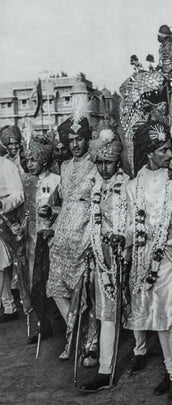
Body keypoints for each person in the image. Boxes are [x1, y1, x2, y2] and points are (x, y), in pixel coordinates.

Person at [125, 120, 172, 405]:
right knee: (156, 319)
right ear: (148, 153)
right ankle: (169, 371)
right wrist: (123, 243)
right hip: (144, 261)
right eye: (164, 150)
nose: (170, 154)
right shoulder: (133, 187)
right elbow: (132, 226)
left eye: (170, 148)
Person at [79, 127, 130, 392]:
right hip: (103, 258)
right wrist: (93, 246)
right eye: (98, 162)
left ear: (117, 161)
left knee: (138, 313)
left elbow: (135, 222)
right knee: (106, 314)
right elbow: (93, 221)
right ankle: (105, 371)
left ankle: (144, 354)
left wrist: (125, 243)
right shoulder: (96, 187)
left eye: (108, 162)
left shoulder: (128, 186)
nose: (103, 167)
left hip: (126, 257)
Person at [45, 116, 97, 358]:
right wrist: (50, 211)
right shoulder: (64, 166)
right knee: (57, 289)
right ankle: (74, 333)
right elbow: (65, 203)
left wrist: (92, 236)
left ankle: (91, 343)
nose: (75, 144)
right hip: (62, 235)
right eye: (71, 140)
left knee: (85, 291)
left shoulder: (97, 163)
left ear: (87, 139)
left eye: (80, 139)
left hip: (85, 233)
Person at [22, 137, 60, 343]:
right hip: (31, 240)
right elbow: (25, 209)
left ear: (44, 160)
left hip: (50, 239)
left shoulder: (56, 180)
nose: (30, 165)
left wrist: (52, 213)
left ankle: (62, 324)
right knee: (34, 283)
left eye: (34, 160)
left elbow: (64, 209)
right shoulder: (27, 181)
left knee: (52, 283)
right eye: (28, 160)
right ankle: (43, 325)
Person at [0, 156, 24, 323]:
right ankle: (8, 306)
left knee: (2, 266)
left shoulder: (6, 165)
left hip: (5, 222)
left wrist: (2, 204)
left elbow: (19, 195)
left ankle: (9, 306)